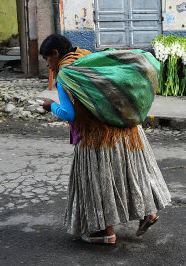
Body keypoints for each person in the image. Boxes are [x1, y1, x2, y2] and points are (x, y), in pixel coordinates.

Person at [39, 34, 171, 244]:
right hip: (127, 132)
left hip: (97, 138)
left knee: (101, 183)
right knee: (131, 175)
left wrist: (49, 105)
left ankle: (104, 232)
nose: (49, 66)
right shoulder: (89, 58)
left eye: (47, 60)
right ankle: (149, 214)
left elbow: (69, 114)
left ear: (55, 54)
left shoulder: (67, 74)